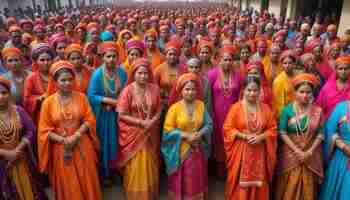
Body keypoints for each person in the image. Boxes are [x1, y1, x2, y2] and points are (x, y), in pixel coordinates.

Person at [38, 60, 102, 200]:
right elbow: (44, 130)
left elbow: (89, 120)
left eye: (70, 79)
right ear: (55, 82)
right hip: (61, 148)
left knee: (87, 177)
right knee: (68, 182)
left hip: (82, 144)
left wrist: (76, 135)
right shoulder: (48, 103)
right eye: (63, 80)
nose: (67, 83)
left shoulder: (82, 98)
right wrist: (64, 140)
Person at [223, 76, 277, 200]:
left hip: (260, 152)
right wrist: (244, 136)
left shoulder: (265, 108)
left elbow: (273, 129)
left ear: (260, 91)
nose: (252, 93)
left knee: (260, 181)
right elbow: (227, 128)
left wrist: (261, 137)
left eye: (255, 90)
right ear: (243, 91)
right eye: (249, 90)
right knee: (238, 182)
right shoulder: (236, 108)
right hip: (241, 152)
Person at [162, 73, 212, 200]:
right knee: (181, 179)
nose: (190, 92)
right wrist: (185, 135)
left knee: (195, 178)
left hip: (197, 149)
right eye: (187, 89)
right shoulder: (174, 108)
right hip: (180, 151)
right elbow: (167, 130)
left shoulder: (201, 105)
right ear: (181, 91)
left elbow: (209, 124)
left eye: (193, 89)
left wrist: (199, 134)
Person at [274, 73, 324, 200]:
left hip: (310, 155)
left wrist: (309, 152)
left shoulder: (318, 111)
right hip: (290, 155)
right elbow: (282, 132)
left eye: (308, 92)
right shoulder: (287, 110)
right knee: (288, 186)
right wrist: (297, 151)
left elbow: (321, 134)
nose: (305, 95)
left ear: (312, 93)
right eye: (301, 92)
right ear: (295, 92)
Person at [117, 58, 162, 200]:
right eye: (140, 73)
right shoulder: (127, 91)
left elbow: (159, 108)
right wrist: (141, 123)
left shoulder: (154, 89)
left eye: (146, 73)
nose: (143, 76)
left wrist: (152, 121)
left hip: (151, 131)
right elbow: (122, 114)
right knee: (136, 165)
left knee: (150, 162)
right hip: (133, 132)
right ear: (133, 74)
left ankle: (149, 193)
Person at [87, 41, 127, 185]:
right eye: (108, 56)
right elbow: (91, 96)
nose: (111, 59)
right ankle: (106, 173)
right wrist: (110, 102)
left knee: (119, 141)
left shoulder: (122, 72)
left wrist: (119, 103)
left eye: (114, 56)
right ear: (103, 57)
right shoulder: (98, 74)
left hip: (119, 114)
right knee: (106, 142)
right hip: (104, 115)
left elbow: (126, 91)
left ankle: (118, 169)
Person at [0, 77, 47, 200]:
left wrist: (18, 149)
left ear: (9, 94)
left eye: (4, 93)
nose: (1, 97)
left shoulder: (18, 111)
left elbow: (31, 130)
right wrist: (7, 153)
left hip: (22, 158)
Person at [208, 45, 241, 178]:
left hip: (233, 116)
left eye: (229, 60)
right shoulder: (212, 74)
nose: (227, 62)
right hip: (216, 115)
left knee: (231, 141)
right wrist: (210, 114)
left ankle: (231, 171)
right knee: (217, 141)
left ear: (232, 61)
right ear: (219, 60)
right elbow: (207, 95)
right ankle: (218, 172)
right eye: (224, 59)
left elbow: (240, 96)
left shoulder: (238, 76)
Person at [23, 43, 54, 124]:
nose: (46, 63)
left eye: (48, 59)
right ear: (36, 61)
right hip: (40, 115)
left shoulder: (56, 75)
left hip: (57, 112)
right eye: (42, 60)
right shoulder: (31, 78)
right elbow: (26, 100)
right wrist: (38, 99)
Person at [272, 51, 298, 116]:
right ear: (282, 65)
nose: (287, 65)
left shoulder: (299, 76)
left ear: (294, 64)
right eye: (285, 63)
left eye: (290, 63)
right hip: (287, 113)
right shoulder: (278, 80)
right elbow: (279, 103)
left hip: (299, 110)